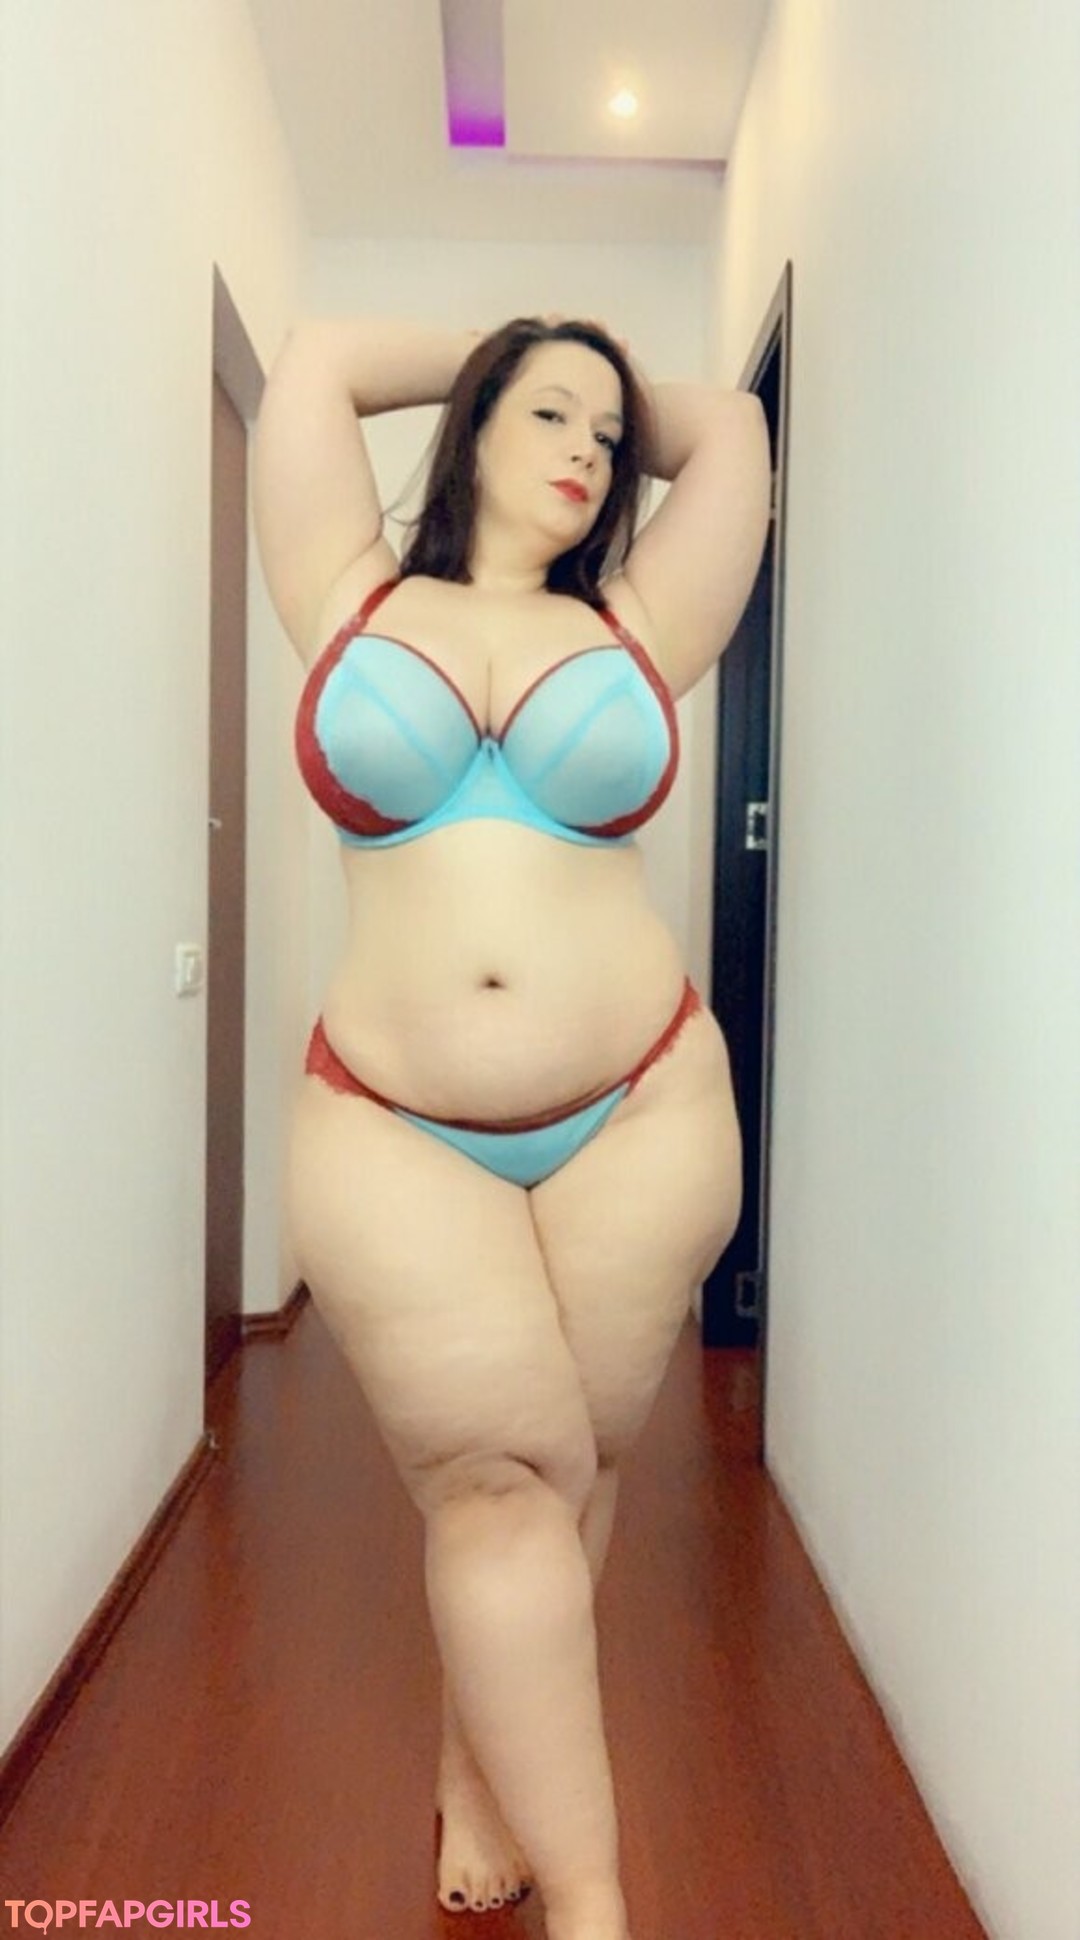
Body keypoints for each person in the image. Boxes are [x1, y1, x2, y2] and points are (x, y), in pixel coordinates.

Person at [253, 313, 771, 1940]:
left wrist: (593, 375)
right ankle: (596, 1905)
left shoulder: (633, 621)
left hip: (643, 1107)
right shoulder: (346, 593)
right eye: (545, 417)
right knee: (498, 1477)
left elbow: (735, 436)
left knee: (573, 1469)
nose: (588, 453)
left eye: (608, 438)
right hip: (391, 1120)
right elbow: (317, 365)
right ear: (472, 424)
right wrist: (521, 344)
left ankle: (482, 1770)